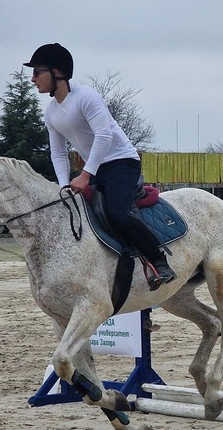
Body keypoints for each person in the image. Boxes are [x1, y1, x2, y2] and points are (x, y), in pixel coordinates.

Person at [26, 42, 175, 290]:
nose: (33, 79)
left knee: (118, 213)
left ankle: (158, 262)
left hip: (122, 163)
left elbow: (104, 136)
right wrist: (64, 186)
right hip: (96, 167)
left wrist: (85, 175)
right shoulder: (51, 113)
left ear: (56, 72)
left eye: (37, 72)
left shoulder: (87, 97)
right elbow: (58, 152)